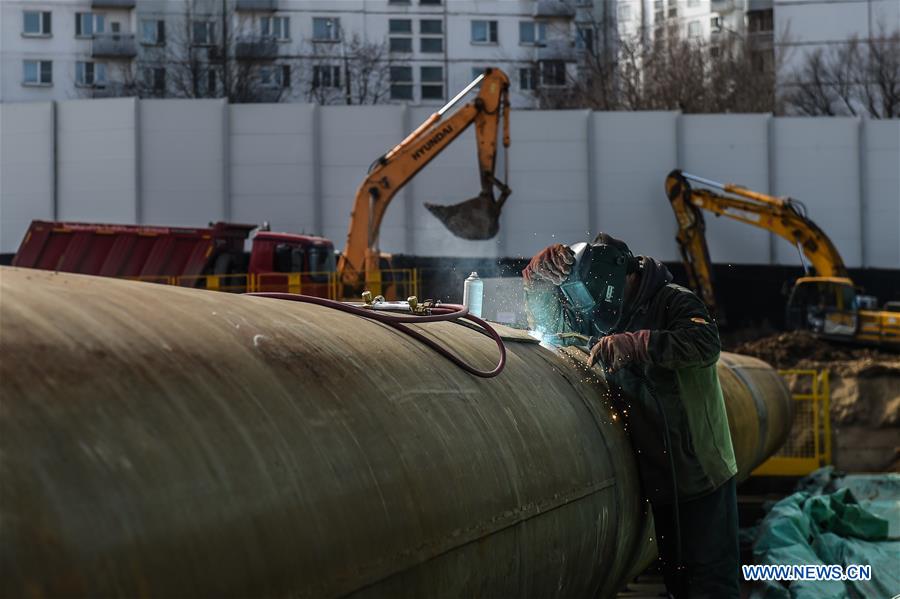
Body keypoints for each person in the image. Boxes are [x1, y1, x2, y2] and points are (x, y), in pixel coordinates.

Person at [522, 233, 740, 599]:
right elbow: (554, 328)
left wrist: (638, 344)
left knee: (710, 587)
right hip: (660, 476)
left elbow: (706, 344)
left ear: (622, 274)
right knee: (680, 584)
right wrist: (537, 281)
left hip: (700, 474)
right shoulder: (606, 312)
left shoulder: (674, 301)